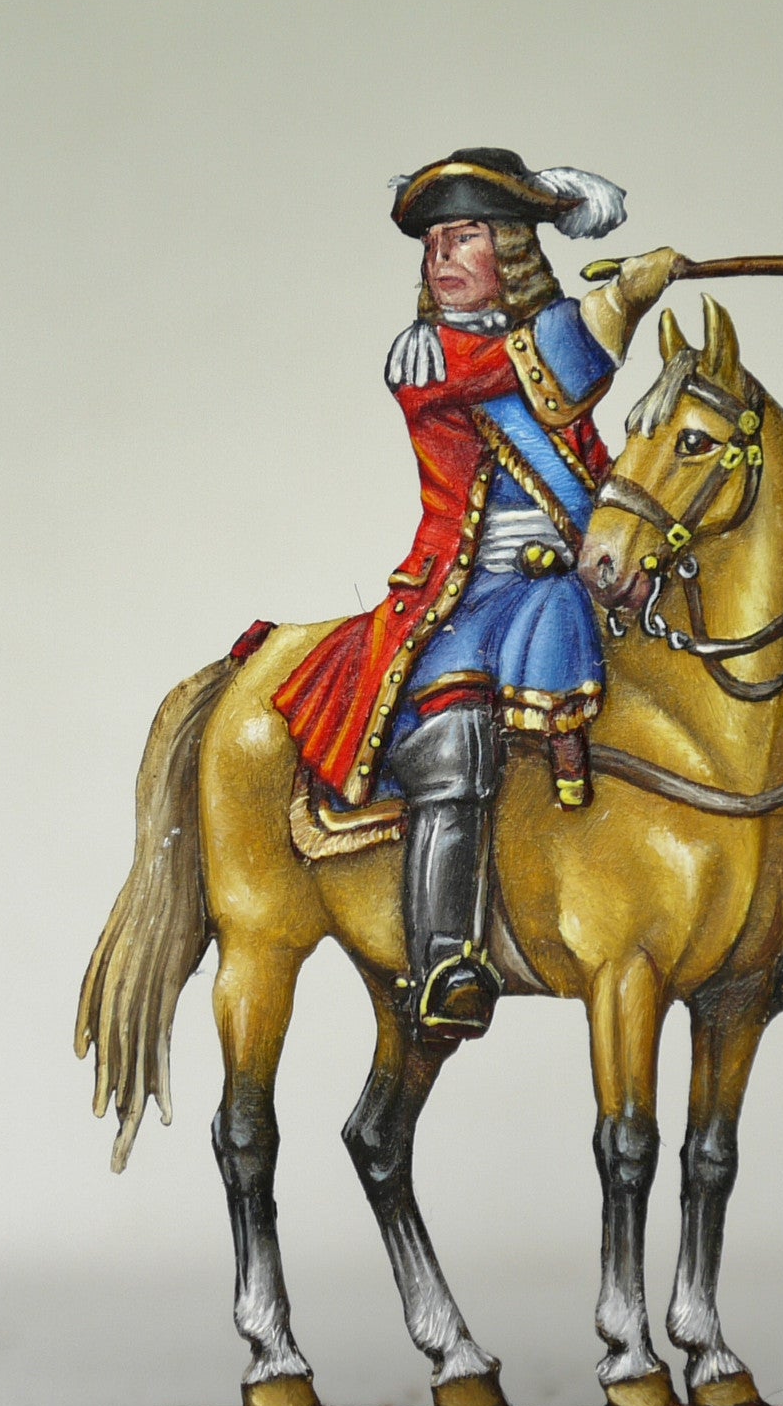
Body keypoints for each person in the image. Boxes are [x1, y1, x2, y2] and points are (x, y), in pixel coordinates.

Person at [274, 148, 683, 1037]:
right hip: (471, 597)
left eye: (463, 237)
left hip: (571, 584)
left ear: (513, 249)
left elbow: (583, 451)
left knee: (678, 694)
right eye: (433, 245)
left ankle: (723, 923)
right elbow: (529, 368)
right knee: (454, 741)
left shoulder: (531, 344)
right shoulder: (431, 358)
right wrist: (620, 300)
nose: (441, 258)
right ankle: (444, 958)